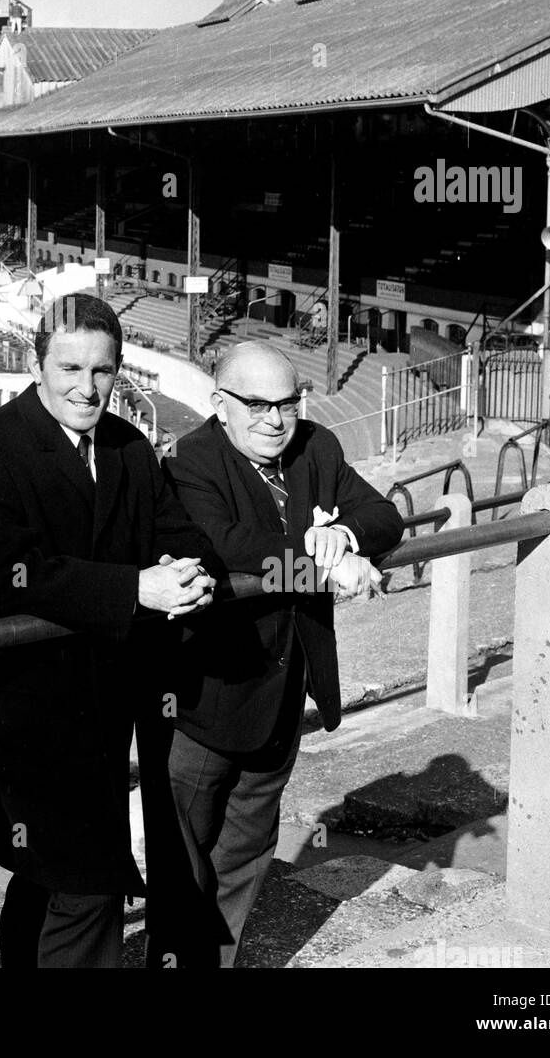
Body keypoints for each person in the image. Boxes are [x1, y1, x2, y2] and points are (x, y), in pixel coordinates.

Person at [0, 293, 218, 968]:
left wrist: (196, 574)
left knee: (51, 877)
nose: (86, 387)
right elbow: (19, 573)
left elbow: (177, 532)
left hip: (106, 699)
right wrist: (134, 588)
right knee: (82, 880)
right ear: (36, 365)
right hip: (23, 706)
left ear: (119, 370)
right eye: (70, 368)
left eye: (102, 371)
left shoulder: (125, 446)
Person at [161, 340, 403, 966]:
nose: (274, 419)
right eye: (256, 405)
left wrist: (346, 534)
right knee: (183, 862)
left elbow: (383, 516)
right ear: (219, 403)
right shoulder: (191, 460)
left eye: (287, 403)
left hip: (283, 695)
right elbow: (229, 548)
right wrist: (328, 566)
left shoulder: (317, 445)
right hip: (202, 698)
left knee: (245, 853)